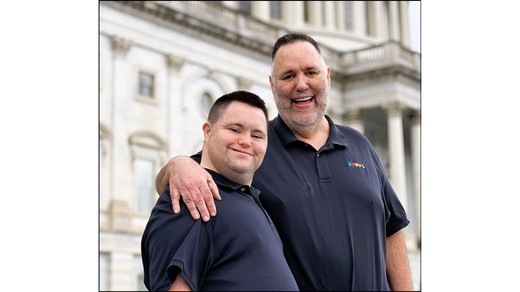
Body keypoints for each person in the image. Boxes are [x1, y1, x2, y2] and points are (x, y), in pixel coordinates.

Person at [156, 33, 414, 291]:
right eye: (288, 76)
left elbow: (391, 229)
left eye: (311, 72)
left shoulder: (360, 144)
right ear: (272, 84)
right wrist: (178, 164)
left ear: (327, 77)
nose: (301, 85)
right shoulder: (255, 148)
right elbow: (185, 181)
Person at [142, 91, 299, 291]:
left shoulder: (252, 199)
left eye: (257, 135)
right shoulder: (191, 197)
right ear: (208, 132)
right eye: (235, 129)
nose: (246, 141)